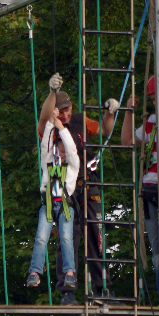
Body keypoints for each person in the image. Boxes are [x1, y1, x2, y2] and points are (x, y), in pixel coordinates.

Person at [37, 73, 119, 304]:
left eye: (68, 108)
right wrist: (52, 93)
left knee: (97, 236)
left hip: (88, 184)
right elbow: (44, 116)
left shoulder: (80, 121)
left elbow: (105, 129)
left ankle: (104, 290)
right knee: (67, 238)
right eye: (60, 110)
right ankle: (67, 293)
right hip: (64, 188)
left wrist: (110, 112)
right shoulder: (49, 128)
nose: (65, 114)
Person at [25, 109, 80, 295]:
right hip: (48, 205)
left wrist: (60, 127)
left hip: (65, 204)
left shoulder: (72, 166)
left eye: (64, 151)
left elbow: (72, 149)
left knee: (66, 238)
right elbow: (45, 146)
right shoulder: (48, 164)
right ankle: (35, 272)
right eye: (59, 150)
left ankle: (70, 273)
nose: (62, 153)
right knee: (41, 237)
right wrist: (50, 122)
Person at [121, 76, 159, 303]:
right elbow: (127, 140)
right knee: (157, 253)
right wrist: (128, 112)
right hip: (151, 191)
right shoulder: (152, 122)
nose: (155, 103)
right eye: (153, 99)